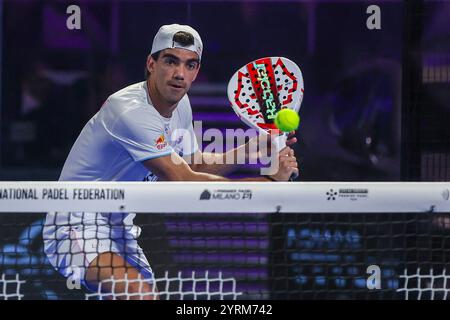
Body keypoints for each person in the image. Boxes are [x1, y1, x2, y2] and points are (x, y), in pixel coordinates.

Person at [43, 24, 299, 300]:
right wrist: (269, 182)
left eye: (190, 65)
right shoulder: (130, 111)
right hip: (75, 223)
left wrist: (249, 151)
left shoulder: (181, 103)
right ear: (151, 64)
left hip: (120, 226)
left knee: (145, 297)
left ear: (196, 72)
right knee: (137, 292)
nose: (180, 74)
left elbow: (192, 165)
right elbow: (182, 180)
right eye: (170, 61)